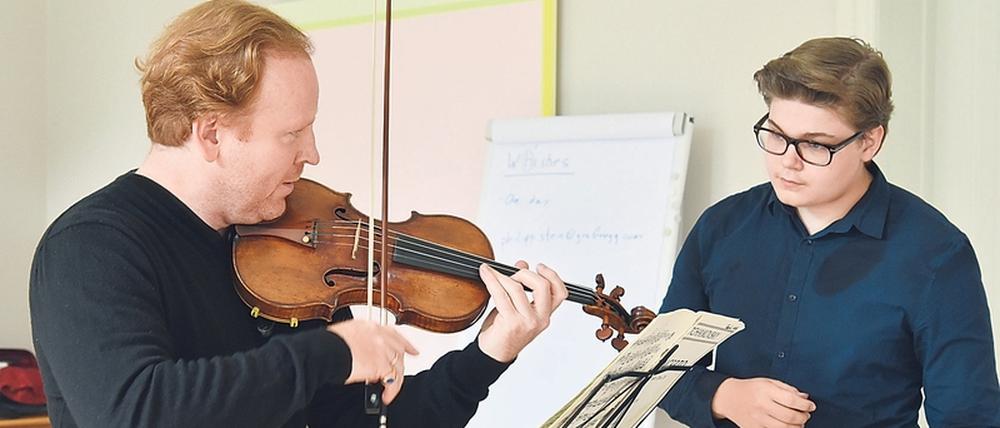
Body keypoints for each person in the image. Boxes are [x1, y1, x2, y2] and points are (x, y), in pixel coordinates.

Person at [28, 1, 568, 427]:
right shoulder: (91, 246)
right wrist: (330, 352)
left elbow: (362, 425)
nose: (312, 154)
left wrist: (490, 354)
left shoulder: (292, 253)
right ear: (211, 133)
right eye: (291, 133)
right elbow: (137, 413)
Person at [657, 37, 1000, 427]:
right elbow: (660, 375)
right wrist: (723, 396)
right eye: (775, 135)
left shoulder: (937, 254)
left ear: (870, 141)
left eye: (815, 146)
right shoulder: (720, 229)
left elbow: (968, 416)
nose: (787, 162)